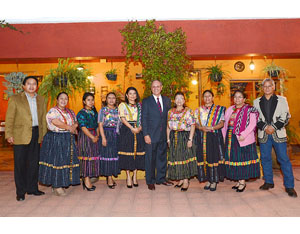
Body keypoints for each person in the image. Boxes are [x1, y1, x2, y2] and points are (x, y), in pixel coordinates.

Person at [5, 76, 47, 201]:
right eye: (29, 84)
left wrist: (43, 134)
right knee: (20, 164)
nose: (31, 86)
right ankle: (21, 192)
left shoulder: (41, 99)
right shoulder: (15, 99)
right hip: (20, 135)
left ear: (37, 86)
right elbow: (10, 118)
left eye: (34, 84)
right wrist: (9, 134)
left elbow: (43, 118)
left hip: (36, 133)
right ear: (23, 86)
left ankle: (32, 188)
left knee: (34, 163)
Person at [253, 78, 297, 197]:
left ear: (273, 87)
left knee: (283, 159)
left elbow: (286, 116)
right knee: (265, 158)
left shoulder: (282, 100)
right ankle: (268, 182)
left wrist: (273, 127)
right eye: (265, 86)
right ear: (262, 88)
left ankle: (289, 186)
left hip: (278, 134)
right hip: (264, 134)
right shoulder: (256, 102)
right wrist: (265, 127)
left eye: (269, 86)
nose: (267, 88)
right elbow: (255, 118)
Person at [39, 92, 80, 196]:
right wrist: (69, 127)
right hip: (56, 138)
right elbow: (56, 122)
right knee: (58, 161)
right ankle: (57, 186)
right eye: (61, 98)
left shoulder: (70, 111)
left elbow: (76, 122)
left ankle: (62, 182)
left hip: (68, 139)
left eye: (66, 99)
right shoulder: (53, 111)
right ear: (57, 100)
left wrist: (74, 126)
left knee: (66, 161)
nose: (63, 100)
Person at [222, 90, 260, 192]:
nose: (237, 99)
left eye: (239, 97)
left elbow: (252, 124)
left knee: (242, 159)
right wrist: (224, 137)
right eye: (235, 97)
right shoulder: (230, 109)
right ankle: (239, 180)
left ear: (244, 99)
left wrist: (243, 135)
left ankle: (242, 182)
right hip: (231, 137)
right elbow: (225, 124)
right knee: (234, 159)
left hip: (243, 138)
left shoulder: (249, 110)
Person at [142, 80, 173, 191]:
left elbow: (169, 118)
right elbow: (144, 119)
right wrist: (146, 134)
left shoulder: (167, 100)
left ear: (161, 87)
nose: (156, 88)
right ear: (151, 88)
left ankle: (161, 178)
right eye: (153, 86)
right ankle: (150, 181)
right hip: (151, 135)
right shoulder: (146, 101)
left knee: (162, 157)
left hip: (163, 135)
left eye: (158, 86)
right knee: (150, 159)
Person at [194, 90, 226, 191]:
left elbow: (222, 123)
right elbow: (195, 123)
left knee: (213, 157)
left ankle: (214, 181)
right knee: (204, 158)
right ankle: (208, 179)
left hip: (214, 137)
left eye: (209, 96)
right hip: (202, 137)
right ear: (203, 98)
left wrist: (212, 128)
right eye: (205, 96)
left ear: (212, 97)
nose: (207, 98)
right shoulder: (198, 110)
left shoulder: (219, 109)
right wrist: (200, 128)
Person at [167, 91, 198, 191]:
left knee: (184, 157)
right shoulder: (170, 112)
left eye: (181, 98)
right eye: (177, 98)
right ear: (174, 100)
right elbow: (168, 126)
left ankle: (185, 180)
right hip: (173, 136)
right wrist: (168, 139)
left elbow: (193, 125)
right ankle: (180, 178)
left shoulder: (188, 111)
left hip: (184, 136)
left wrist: (190, 139)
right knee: (176, 158)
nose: (179, 100)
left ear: (184, 100)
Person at [117, 87, 145, 188]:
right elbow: (123, 118)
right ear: (127, 95)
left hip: (139, 130)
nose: (132, 95)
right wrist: (131, 128)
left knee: (137, 152)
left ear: (136, 95)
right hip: (126, 130)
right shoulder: (122, 105)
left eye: (134, 93)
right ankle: (128, 176)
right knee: (127, 152)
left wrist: (140, 128)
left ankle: (135, 176)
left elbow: (144, 118)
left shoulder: (140, 106)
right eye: (130, 93)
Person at [77, 92, 100, 191]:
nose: (91, 102)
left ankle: (89, 178)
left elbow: (97, 125)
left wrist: (98, 135)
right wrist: (92, 137)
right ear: (84, 101)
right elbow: (83, 127)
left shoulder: (95, 112)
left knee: (92, 157)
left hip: (94, 135)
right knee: (86, 158)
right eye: (88, 100)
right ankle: (86, 180)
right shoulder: (81, 113)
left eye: (92, 100)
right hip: (86, 136)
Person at [98, 92, 120, 189]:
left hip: (116, 135)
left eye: (113, 98)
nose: (111, 100)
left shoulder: (118, 110)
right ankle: (109, 178)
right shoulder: (103, 110)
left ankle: (111, 175)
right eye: (109, 98)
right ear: (106, 100)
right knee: (107, 155)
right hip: (106, 133)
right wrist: (103, 137)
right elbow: (100, 124)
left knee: (114, 155)